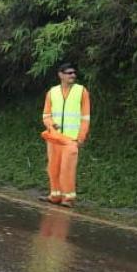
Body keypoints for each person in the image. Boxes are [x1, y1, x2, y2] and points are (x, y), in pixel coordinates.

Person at [41, 62, 90, 207]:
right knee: (53, 167)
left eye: (74, 73)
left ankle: (68, 198)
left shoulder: (81, 91)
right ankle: (55, 195)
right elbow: (46, 114)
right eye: (69, 73)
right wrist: (51, 125)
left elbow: (85, 117)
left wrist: (81, 137)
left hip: (71, 139)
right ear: (60, 75)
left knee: (67, 168)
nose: (73, 75)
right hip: (54, 138)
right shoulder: (52, 92)